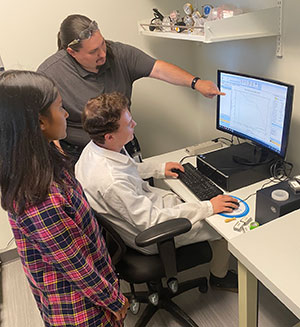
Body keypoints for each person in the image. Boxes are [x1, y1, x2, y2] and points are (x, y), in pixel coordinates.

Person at [0, 71, 129, 327]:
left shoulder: (41, 160)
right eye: (60, 108)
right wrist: (114, 300)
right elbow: (76, 266)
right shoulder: (38, 196)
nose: (67, 114)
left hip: (92, 289)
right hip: (81, 311)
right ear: (39, 122)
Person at [75, 92, 239, 292]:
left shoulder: (95, 149)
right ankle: (219, 277)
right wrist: (207, 207)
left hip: (142, 213)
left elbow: (126, 168)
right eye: (128, 124)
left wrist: (159, 169)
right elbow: (152, 221)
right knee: (224, 226)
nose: (134, 124)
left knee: (192, 200)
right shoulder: (111, 181)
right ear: (109, 136)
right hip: (153, 235)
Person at [37, 14, 224, 162]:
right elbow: (43, 123)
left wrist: (196, 83)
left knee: (137, 188)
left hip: (122, 144)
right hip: (81, 154)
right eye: (93, 52)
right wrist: (60, 158)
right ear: (71, 52)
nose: (103, 53)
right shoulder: (51, 73)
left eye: (102, 44)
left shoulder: (118, 53)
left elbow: (158, 69)